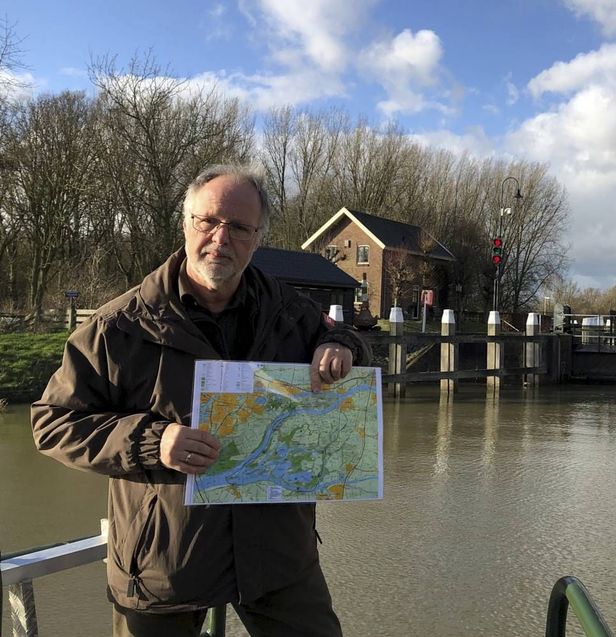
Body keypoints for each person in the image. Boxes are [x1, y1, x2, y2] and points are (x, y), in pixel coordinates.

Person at [31, 164, 371, 637]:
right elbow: (54, 424)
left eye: (238, 227)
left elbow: (353, 343)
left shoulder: (291, 314)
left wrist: (344, 348)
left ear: (257, 238)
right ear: (186, 223)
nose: (220, 238)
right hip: (164, 561)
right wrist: (153, 442)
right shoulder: (120, 325)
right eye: (207, 221)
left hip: (278, 558)